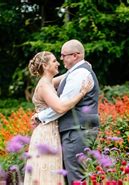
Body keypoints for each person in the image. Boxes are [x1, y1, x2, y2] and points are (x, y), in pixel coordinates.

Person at [32, 39, 100, 184]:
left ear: (75, 55)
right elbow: (59, 85)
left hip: (76, 130)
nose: (61, 59)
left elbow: (61, 106)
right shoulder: (73, 73)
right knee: (70, 175)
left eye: (63, 55)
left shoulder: (79, 73)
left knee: (75, 176)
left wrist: (40, 116)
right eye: (57, 58)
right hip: (70, 130)